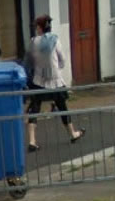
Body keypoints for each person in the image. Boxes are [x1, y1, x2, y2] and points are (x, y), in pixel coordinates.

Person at [26, 14, 84, 152]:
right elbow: (62, 59)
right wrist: (57, 68)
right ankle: (73, 133)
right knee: (62, 106)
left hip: (38, 80)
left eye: (36, 27)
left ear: (39, 28)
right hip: (55, 80)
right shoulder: (55, 40)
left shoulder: (33, 41)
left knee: (34, 108)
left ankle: (32, 140)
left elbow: (29, 62)